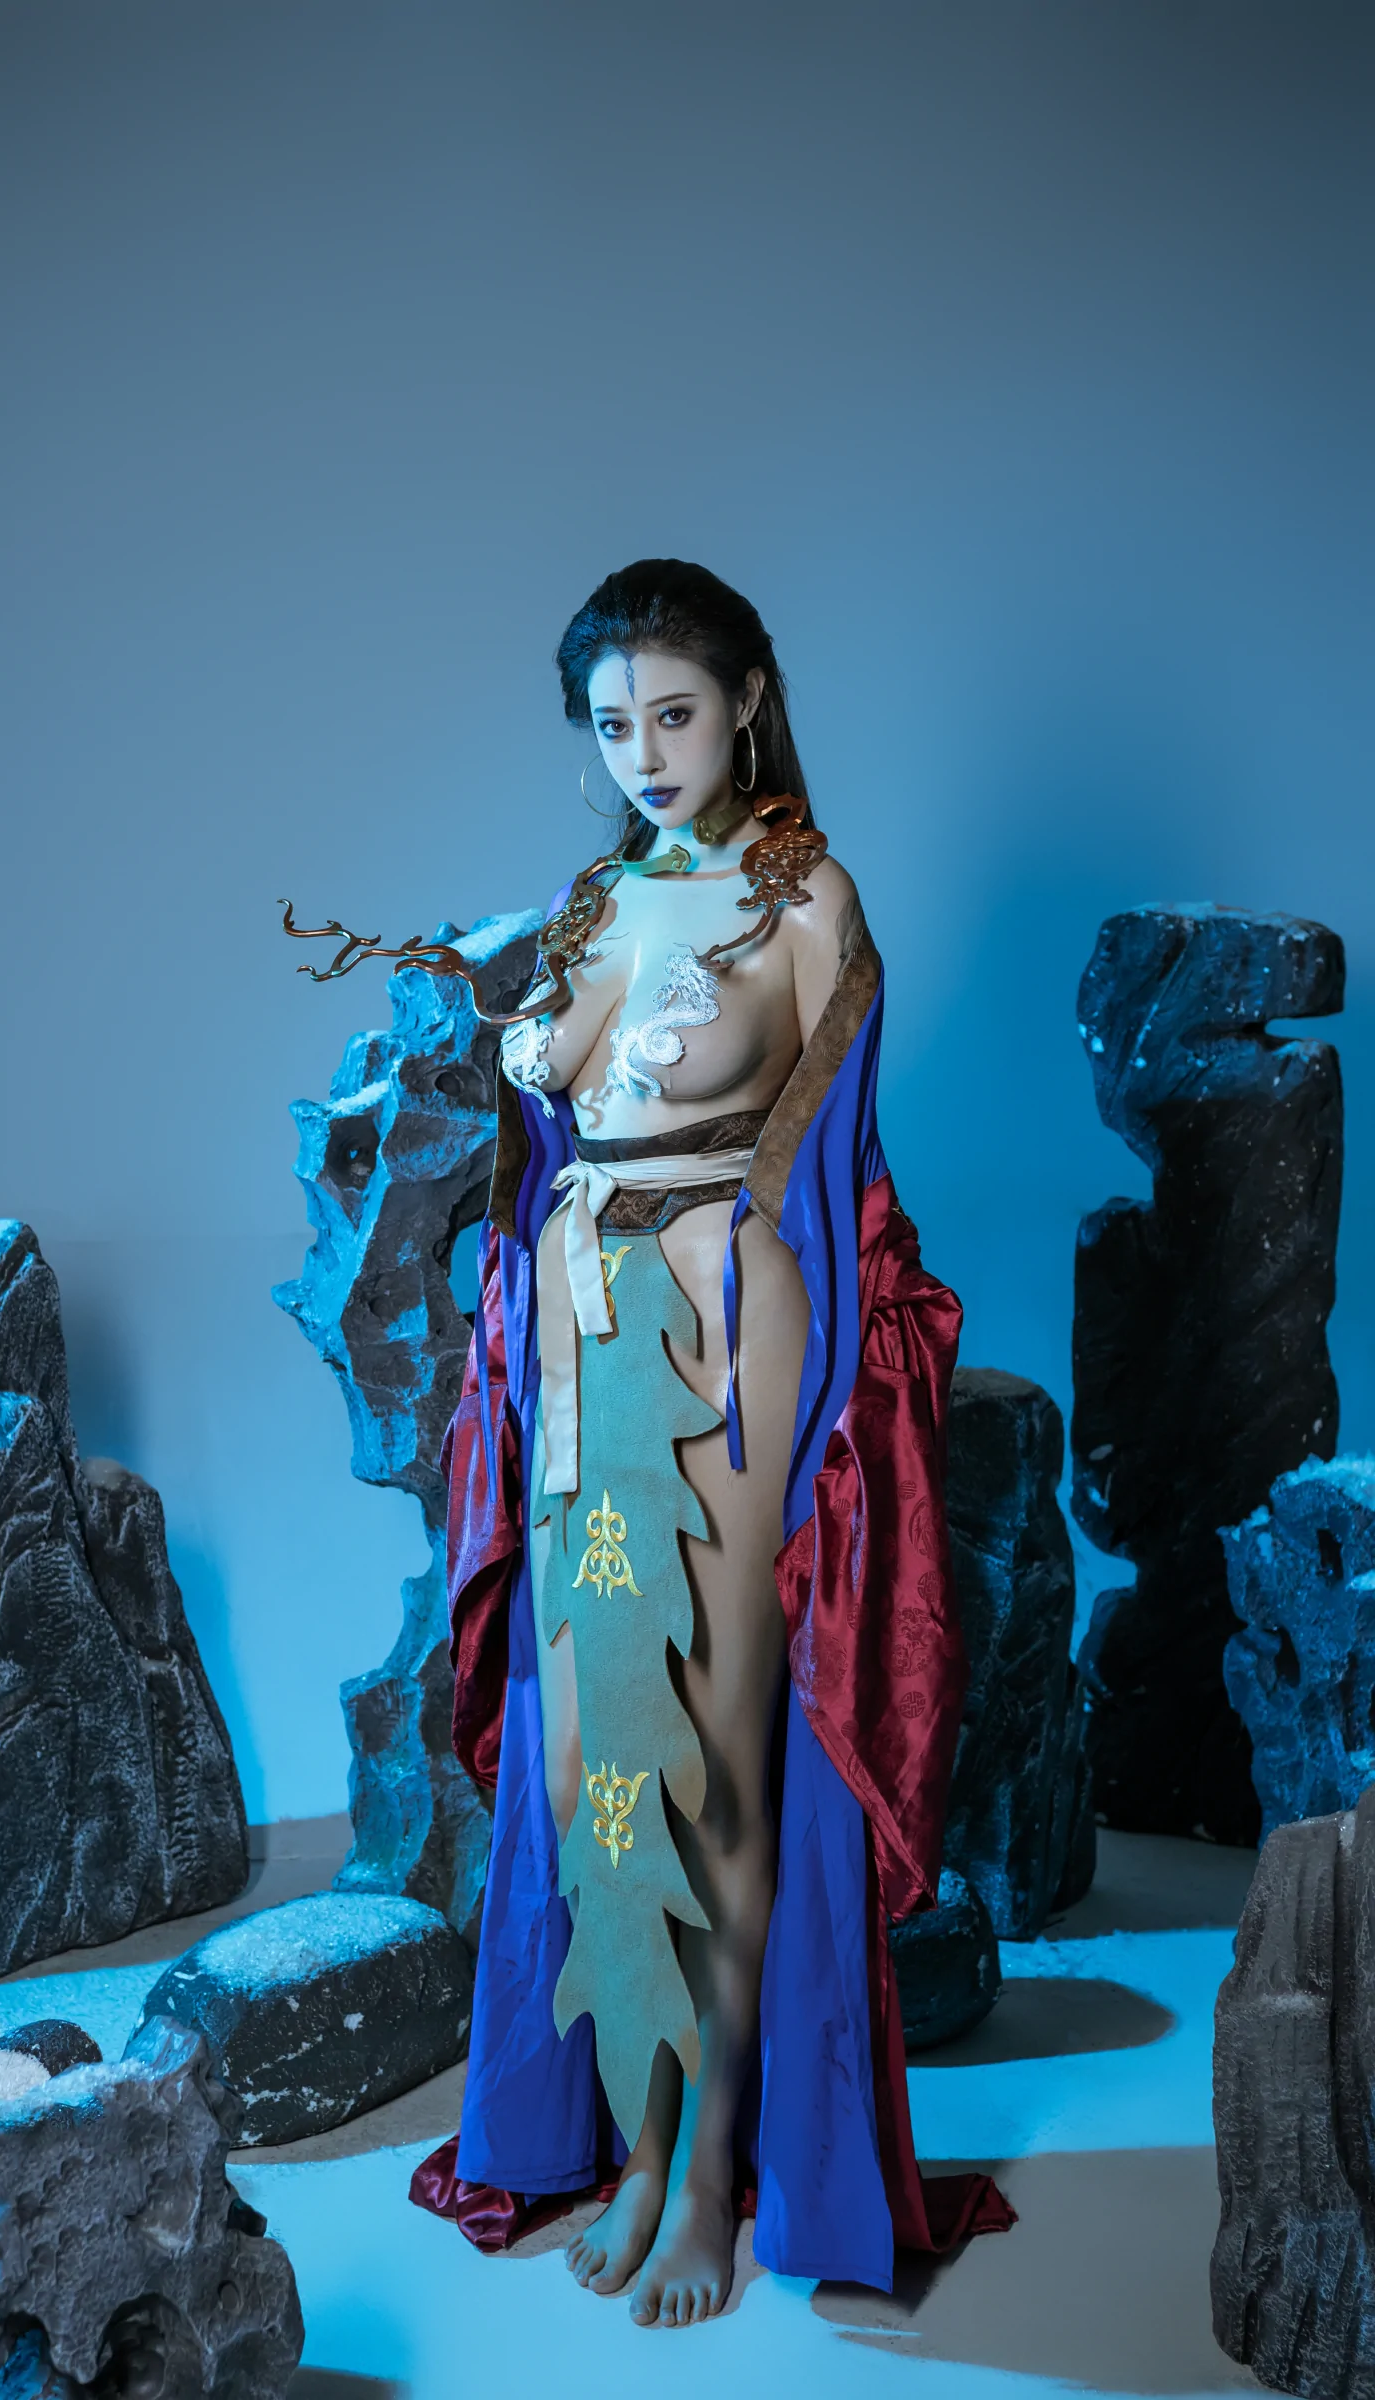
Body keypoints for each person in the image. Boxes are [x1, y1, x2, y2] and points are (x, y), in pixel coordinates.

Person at [290, 558, 1010, 2326]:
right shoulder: (599, 897)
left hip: (723, 1316)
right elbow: (553, 1102)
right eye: (614, 726)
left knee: (713, 1750)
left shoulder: (807, 897)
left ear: (747, 700)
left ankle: (704, 2179)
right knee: (586, 1755)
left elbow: (831, 1164)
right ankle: (634, 2131)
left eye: (673, 714)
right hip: (577, 1318)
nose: (646, 754)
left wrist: (824, 1399)